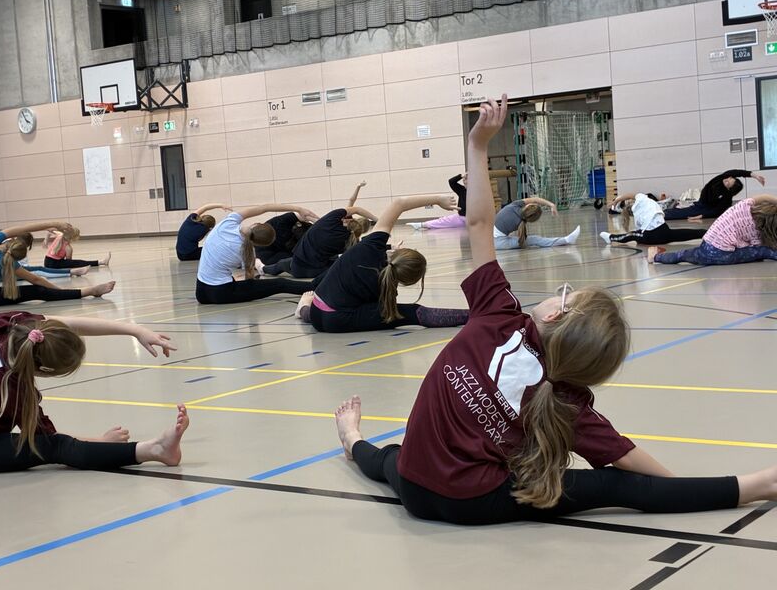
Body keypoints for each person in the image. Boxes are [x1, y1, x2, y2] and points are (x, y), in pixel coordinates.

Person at [333, 95, 777, 525]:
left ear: (553, 315)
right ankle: (757, 484)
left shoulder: (497, 315)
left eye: (567, 294)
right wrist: (679, 490)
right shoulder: (568, 400)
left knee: (390, 458)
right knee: (614, 487)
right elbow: (627, 461)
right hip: (478, 502)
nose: (560, 293)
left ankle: (352, 440)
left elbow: (480, 223)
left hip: (413, 485)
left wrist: (478, 145)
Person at [0, 311, 189, 474]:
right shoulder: (12, 390)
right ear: (45, 370)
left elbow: (70, 324)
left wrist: (136, 330)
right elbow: (51, 440)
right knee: (52, 447)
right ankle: (155, 449)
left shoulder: (7, 324)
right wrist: (100, 440)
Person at [296, 194, 469, 333]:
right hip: (338, 320)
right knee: (410, 313)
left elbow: (399, 203)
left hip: (316, 311)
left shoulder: (371, 244)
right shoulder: (385, 289)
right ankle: (471, 316)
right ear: (407, 281)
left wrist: (438, 199)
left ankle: (303, 307)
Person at [195, 203, 319, 304]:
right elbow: (250, 282)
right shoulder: (247, 252)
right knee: (280, 284)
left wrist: (298, 209)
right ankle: (316, 288)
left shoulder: (228, 222)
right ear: (259, 244)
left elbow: (264, 208)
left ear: (256, 224)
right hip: (222, 293)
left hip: (201, 292)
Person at [0, 222, 115, 308]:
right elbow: (36, 280)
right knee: (37, 291)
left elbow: (22, 228)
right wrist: (60, 292)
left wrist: (54, 224)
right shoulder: (6, 262)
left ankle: (87, 288)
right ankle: (89, 291)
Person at [649, 195, 777, 265]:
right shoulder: (754, 229)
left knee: (682, 255)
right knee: (763, 251)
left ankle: (656, 257)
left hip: (706, 247)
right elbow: (759, 247)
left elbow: (763, 197)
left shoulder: (743, 206)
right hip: (723, 255)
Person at [262, 203, 378, 278]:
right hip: (317, 271)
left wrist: (377, 219)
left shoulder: (331, 219)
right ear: (363, 231)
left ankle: (262, 268)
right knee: (336, 260)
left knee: (281, 264)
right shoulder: (352, 242)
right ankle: (263, 268)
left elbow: (357, 209)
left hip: (297, 267)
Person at [600, 193, 706, 245]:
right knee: (682, 234)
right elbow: (629, 195)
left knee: (632, 235)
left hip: (653, 236)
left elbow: (640, 234)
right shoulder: (642, 199)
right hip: (664, 231)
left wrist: (616, 201)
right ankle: (704, 233)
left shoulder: (638, 209)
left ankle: (611, 237)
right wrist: (616, 200)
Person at [663, 170, 766, 221]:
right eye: (730, 178)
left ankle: (662, 214)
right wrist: (755, 176)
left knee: (679, 214)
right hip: (701, 203)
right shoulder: (721, 178)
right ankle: (662, 212)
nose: (727, 179)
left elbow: (717, 211)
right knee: (678, 211)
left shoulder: (726, 198)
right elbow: (737, 172)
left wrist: (702, 216)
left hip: (704, 208)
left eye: (728, 183)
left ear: (729, 189)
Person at [493, 197, 580, 250]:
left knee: (529, 240)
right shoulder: (520, 222)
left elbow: (535, 199)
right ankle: (566, 240)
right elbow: (535, 199)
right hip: (497, 242)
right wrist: (551, 205)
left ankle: (564, 240)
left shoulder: (514, 205)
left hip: (492, 239)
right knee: (534, 239)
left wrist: (551, 205)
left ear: (527, 206)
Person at [10, 233, 90, 278]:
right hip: (13, 273)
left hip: (15, 270)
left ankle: (72, 271)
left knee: (38, 270)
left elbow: (24, 265)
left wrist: (46, 238)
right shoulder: (67, 246)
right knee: (39, 270)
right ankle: (72, 272)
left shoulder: (14, 246)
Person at [44, 227, 110, 269]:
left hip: (46, 262)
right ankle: (101, 262)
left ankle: (101, 262)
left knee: (75, 262)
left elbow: (49, 231)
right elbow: (69, 262)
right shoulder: (68, 248)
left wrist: (46, 240)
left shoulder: (58, 237)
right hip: (54, 265)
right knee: (78, 262)